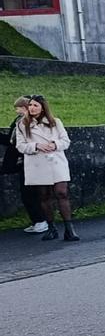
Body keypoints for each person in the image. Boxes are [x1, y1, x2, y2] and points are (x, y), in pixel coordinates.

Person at [13, 94, 78, 242]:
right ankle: (51, 228)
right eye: (30, 105)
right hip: (38, 163)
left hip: (55, 160)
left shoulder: (55, 122)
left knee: (62, 192)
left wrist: (55, 144)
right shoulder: (22, 124)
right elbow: (20, 145)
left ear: (43, 107)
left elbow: (65, 141)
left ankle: (69, 229)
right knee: (44, 196)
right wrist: (36, 145)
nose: (32, 108)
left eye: (36, 105)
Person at [4, 97, 48, 234]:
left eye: (18, 108)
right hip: (23, 161)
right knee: (29, 192)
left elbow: (17, 142)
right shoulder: (21, 121)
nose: (16, 110)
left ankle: (40, 221)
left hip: (27, 161)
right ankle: (39, 221)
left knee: (29, 193)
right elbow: (12, 141)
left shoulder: (27, 123)